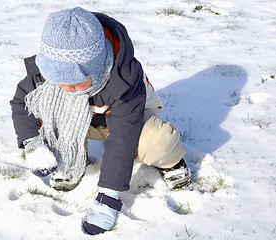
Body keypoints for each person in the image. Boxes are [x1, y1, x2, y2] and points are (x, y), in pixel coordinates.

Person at [10, 7, 191, 235]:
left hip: (131, 120)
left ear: (94, 69)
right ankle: (70, 161)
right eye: (58, 80)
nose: (66, 88)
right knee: (48, 108)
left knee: (155, 142)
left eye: (75, 82)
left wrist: (109, 195)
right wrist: (32, 144)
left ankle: (171, 160)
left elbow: (122, 140)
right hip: (89, 120)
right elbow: (23, 103)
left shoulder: (124, 77)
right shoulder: (50, 70)